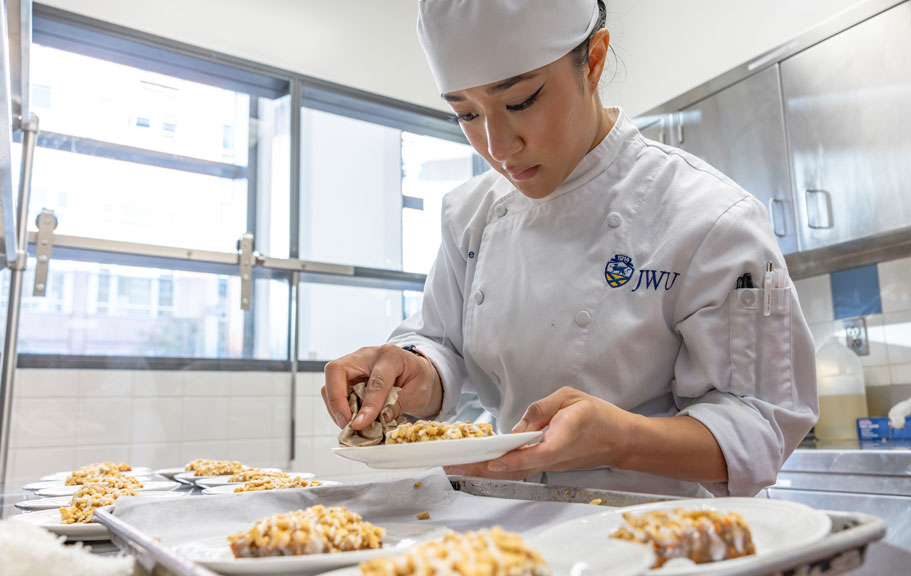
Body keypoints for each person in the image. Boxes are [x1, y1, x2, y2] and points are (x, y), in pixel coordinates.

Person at [321, 0, 818, 497]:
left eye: (520, 101)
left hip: (655, 528)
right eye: (466, 113)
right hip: (507, 523)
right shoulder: (469, 214)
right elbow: (442, 345)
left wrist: (621, 440)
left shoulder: (707, 217)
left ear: (594, 61)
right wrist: (415, 370)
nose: (497, 145)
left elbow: (761, 428)